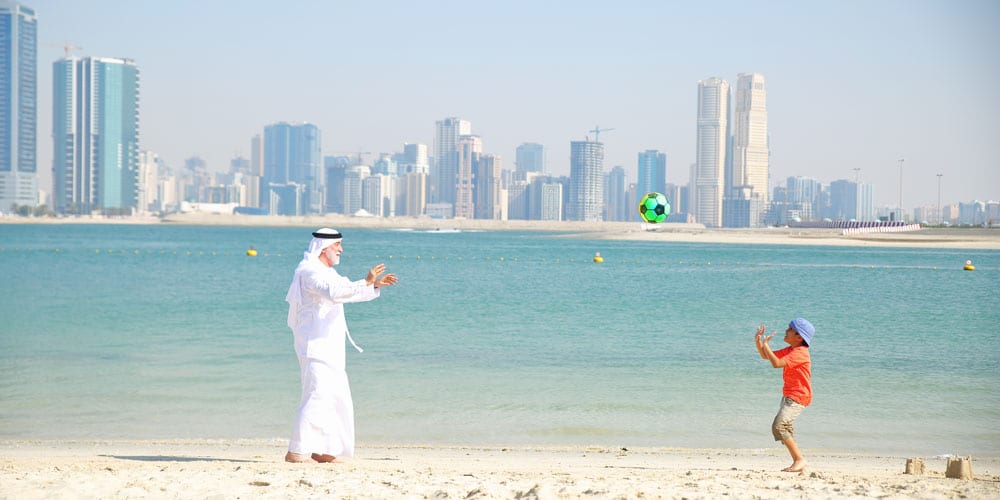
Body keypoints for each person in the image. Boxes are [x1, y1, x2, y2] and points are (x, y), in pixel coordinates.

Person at [283, 228, 398, 463]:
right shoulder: (309, 271)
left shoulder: (328, 272)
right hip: (314, 344)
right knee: (317, 395)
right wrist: (365, 280)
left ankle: (324, 450)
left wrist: (374, 286)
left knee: (336, 397)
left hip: (330, 346)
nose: (341, 250)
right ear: (324, 248)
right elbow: (333, 293)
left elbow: (347, 292)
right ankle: (296, 450)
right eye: (338, 246)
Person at [754, 317, 814, 473]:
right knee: (783, 427)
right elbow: (765, 356)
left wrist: (766, 345)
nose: (786, 331)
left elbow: (776, 364)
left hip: (799, 396)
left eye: (789, 329)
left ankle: (799, 459)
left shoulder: (801, 353)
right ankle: (799, 461)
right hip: (789, 395)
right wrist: (758, 341)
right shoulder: (791, 350)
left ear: (799, 337)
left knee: (779, 426)